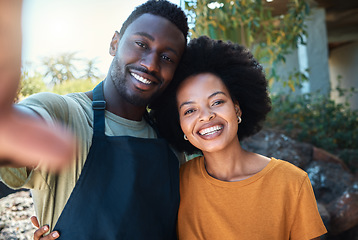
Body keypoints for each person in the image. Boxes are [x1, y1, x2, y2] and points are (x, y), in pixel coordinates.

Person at [0, 0, 188, 239]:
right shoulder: (64, 114)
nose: (150, 64)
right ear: (114, 43)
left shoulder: (174, 148)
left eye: (167, 58)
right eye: (141, 44)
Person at [151, 36, 327, 239]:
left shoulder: (291, 182)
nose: (206, 116)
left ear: (237, 108)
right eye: (189, 110)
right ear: (180, 125)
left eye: (217, 102)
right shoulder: (177, 183)